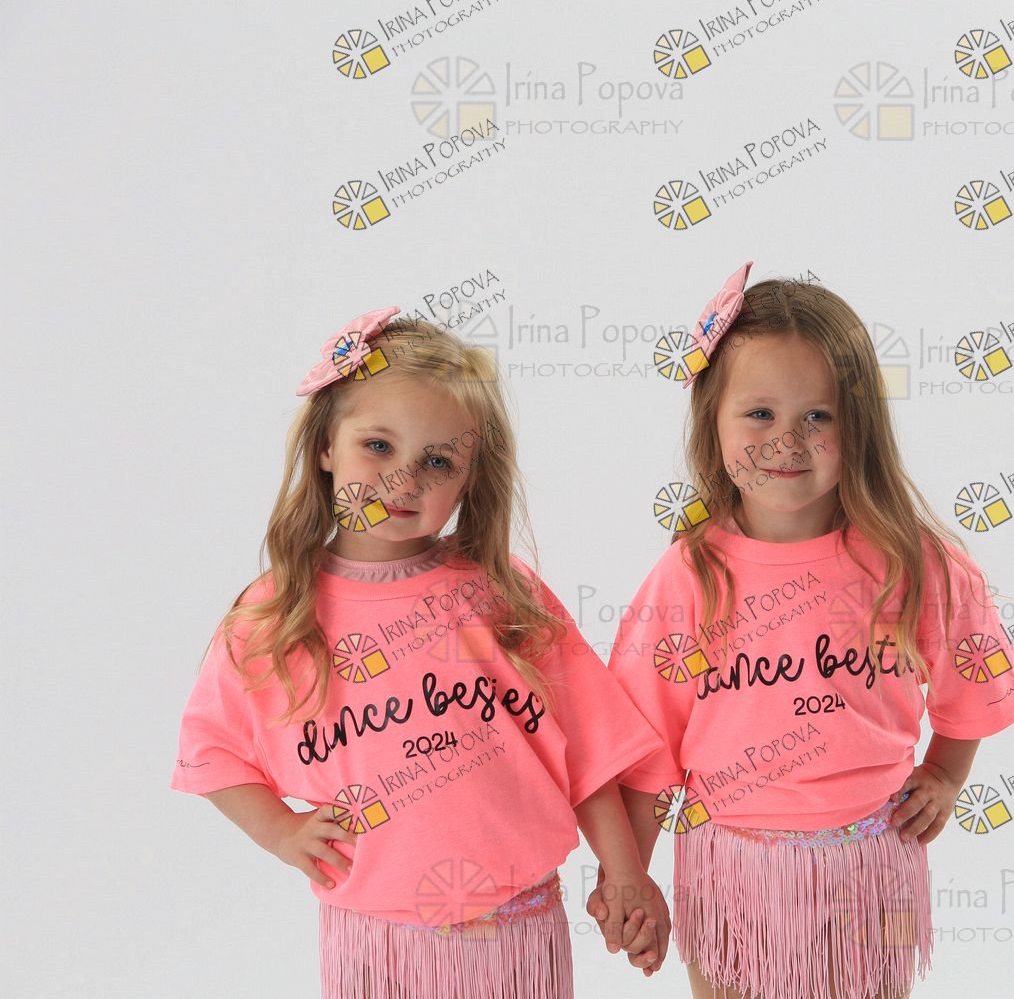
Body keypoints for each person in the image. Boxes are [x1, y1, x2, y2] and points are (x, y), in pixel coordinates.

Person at [169, 306, 670, 997]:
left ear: (470, 477)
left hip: (517, 926)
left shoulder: (503, 593)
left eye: (437, 462)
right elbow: (211, 751)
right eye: (378, 446)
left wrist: (625, 873)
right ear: (326, 445)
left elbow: (586, 749)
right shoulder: (276, 611)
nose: (405, 481)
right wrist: (282, 832)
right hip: (374, 936)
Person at [597, 263, 1014, 999]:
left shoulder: (911, 563)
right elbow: (645, 751)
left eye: (819, 417)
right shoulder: (688, 578)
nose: (787, 440)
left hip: (868, 864)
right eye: (759, 413)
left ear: (858, 425)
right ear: (713, 420)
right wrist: (630, 879)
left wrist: (944, 773)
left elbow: (975, 679)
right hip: (730, 867)